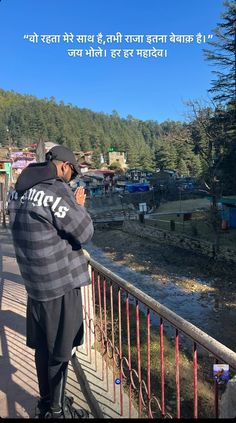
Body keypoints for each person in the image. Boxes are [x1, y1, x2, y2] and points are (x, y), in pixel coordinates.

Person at [7, 145, 94, 418]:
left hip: (35, 284)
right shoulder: (55, 190)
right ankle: (55, 412)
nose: (71, 178)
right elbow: (84, 232)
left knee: (44, 347)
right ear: (64, 166)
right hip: (60, 283)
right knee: (60, 350)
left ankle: (47, 402)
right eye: (72, 172)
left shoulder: (18, 191)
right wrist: (78, 207)